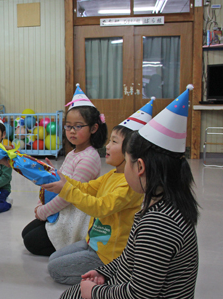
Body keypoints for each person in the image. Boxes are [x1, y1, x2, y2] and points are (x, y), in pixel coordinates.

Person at [61, 86, 199, 299]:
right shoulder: (160, 204)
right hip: (122, 280)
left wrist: (95, 293)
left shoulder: (159, 225)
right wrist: (104, 273)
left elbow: (140, 295)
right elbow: (129, 258)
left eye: (127, 161)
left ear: (140, 167)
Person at [42, 97, 155, 285]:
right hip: (95, 241)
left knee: (55, 270)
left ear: (131, 152)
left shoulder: (129, 185)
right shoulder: (112, 174)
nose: (107, 146)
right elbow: (87, 187)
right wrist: (59, 176)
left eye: (114, 142)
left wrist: (66, 189)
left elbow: (100, 207)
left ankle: (113, 275)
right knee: (53, 258)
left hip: (109, 256)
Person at [21, 85, 106, 256]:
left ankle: (73, 244)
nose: (72, 131)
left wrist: (44, 211)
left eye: (78, 126)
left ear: (94, 128)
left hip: (74, 216)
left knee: (31, 242)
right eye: (68, 126)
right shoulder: (74, 152)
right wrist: (50, 171)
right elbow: (65, 180)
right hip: (64, 208)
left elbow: (68, 195)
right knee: (26, 233)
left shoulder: (88, 158)